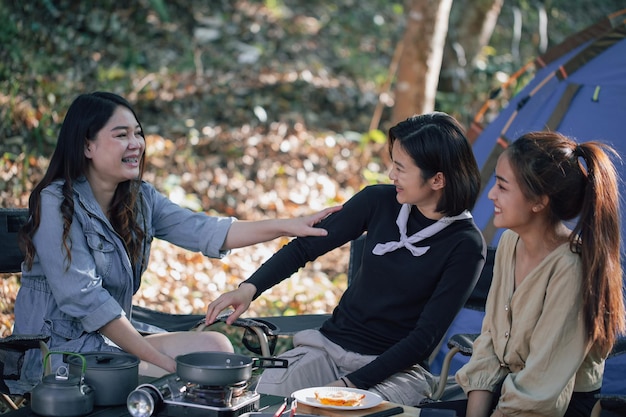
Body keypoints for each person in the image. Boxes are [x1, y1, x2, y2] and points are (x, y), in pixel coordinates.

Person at [10, 91, 341, 393]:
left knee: (217, 350)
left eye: (138, 133)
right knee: (185, 376)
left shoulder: (140, 199)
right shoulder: (55, 204)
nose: (136, 143)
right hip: (60, 356)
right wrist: (165, 364)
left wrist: (287, 226)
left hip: (112, 347)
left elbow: (208, 231)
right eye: (121, 135)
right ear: (87, 146)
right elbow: (88, 301)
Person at [206, 112, 487, 406]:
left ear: (438, 179)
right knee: (266, 400)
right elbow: (305, 248)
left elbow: (424, 339)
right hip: (327, 349)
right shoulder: (378, 201)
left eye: (401, 168)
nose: (392, 175)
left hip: (395, 370)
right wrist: (249, 288)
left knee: (348, 412)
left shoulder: (465, 245)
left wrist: (349, 386)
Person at [423, 131, 625, 416]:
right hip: (508, 389)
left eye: (503, 187)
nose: (491, 193)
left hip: (555, 403)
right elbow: (490, 341)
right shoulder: (510, 241)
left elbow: (540, 390)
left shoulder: (570, 268)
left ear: (539, 201)